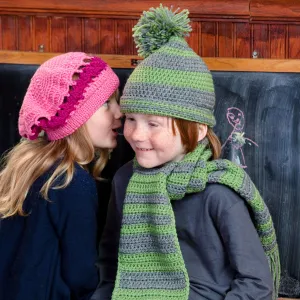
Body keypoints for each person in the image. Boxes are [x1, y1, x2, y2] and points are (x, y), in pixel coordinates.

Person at [92, 5, 281, 300]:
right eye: (130, 119)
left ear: (198, 130)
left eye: (153, 123)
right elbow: (110, 261)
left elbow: (257, 283)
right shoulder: (125, 180)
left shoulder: (218, 193)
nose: (137, 135)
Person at [0, 52, 122, 300]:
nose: (119, 113)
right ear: (75, 117)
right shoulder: (72, 182)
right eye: (106, 103)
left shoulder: (27, 168)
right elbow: (81, 276)